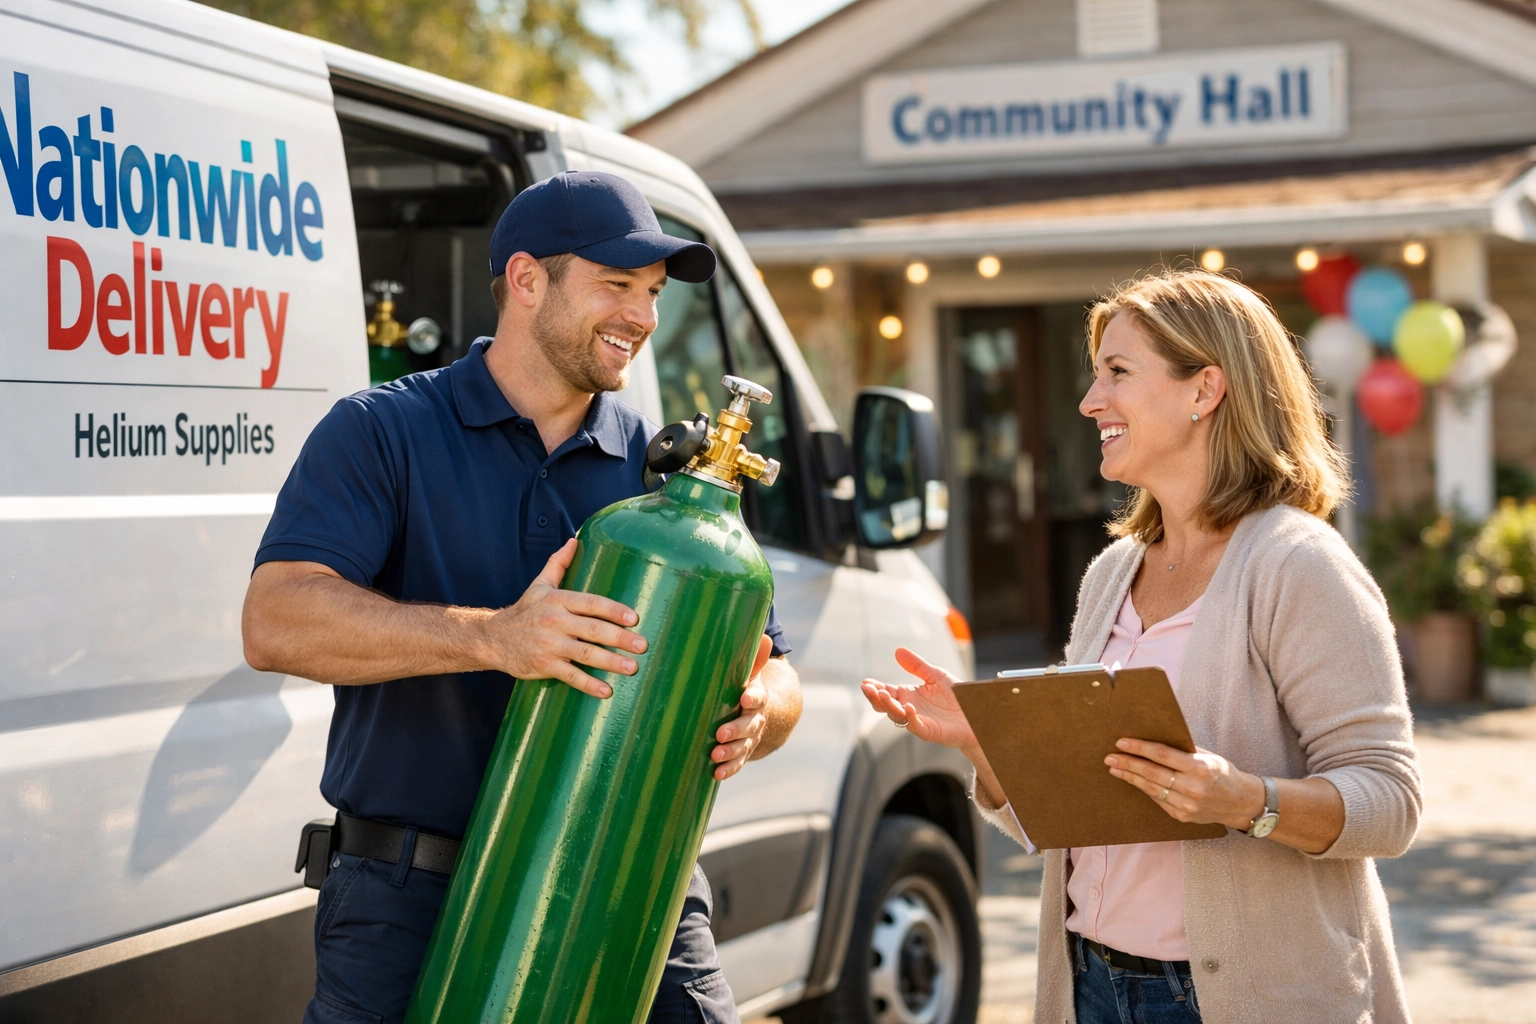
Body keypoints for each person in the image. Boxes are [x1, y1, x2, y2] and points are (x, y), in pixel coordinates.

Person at [242, 170, 803, 1024]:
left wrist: (759, 713)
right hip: (410, 895)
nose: (643, 318)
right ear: (528, 279)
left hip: (632, 886)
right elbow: (276, 620)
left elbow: (777, 670)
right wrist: (496, 637)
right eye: (617, 285)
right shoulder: (383, 431)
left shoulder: (660, 477)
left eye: (652, 293)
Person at [862, 270, 1422, 1023]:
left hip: (1239, 997)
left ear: (1205, 390)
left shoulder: (1298, 565)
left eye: (1117, 373)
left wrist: (1246, 803)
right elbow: (1077, 812)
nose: (1092, 402)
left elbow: (1391, 804)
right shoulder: (1113, 573)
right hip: (1090, 983)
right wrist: (988, 740)